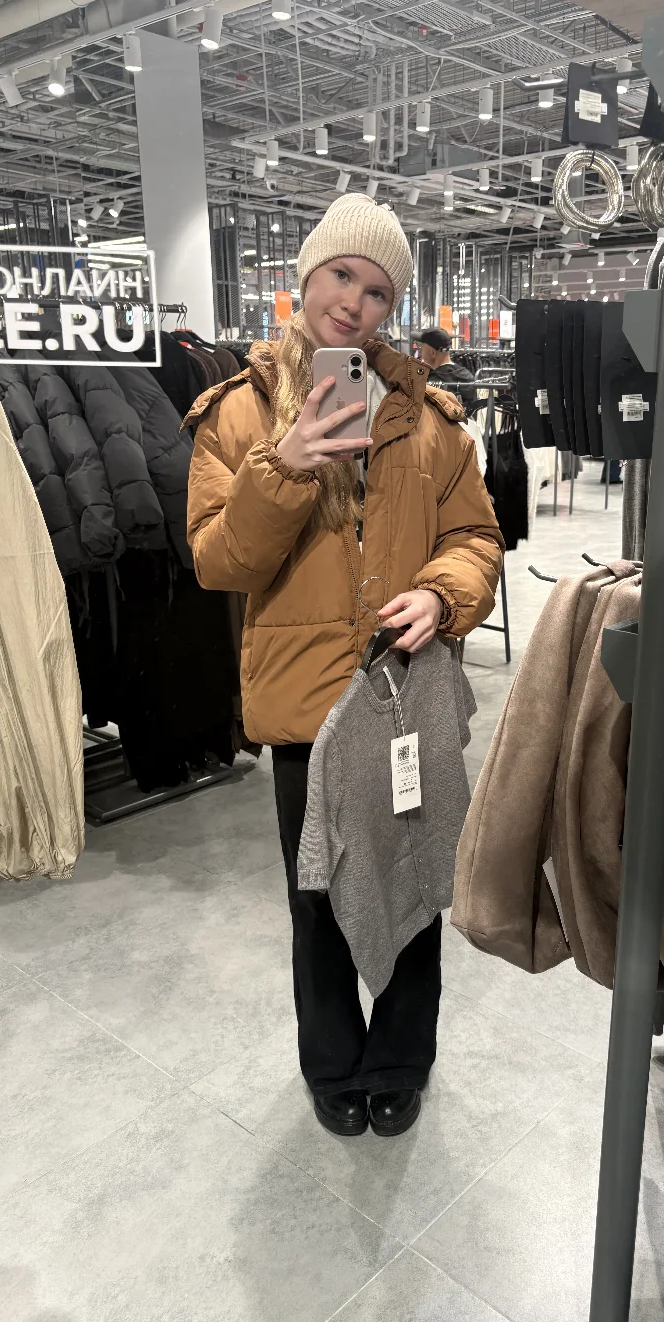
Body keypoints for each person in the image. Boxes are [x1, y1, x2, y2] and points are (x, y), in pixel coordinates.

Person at [186, 195, 504, 1139]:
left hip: (403, 696)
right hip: (304, 706)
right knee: (317, 897)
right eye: (341, 276)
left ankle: (400, 1058)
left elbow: (477, 537)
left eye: (378, 291)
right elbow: (217, 561)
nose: (355, 303)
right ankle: (332, 1062)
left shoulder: (431, 420)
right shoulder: (236, 414)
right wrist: (283, 466)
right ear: (306, 275)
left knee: (414, 882)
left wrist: (443, 594)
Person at [415, 327, 478, 414]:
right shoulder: (467, 376)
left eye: (422, 349)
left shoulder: (432, 380)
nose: (420, 352)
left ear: (432, 353)